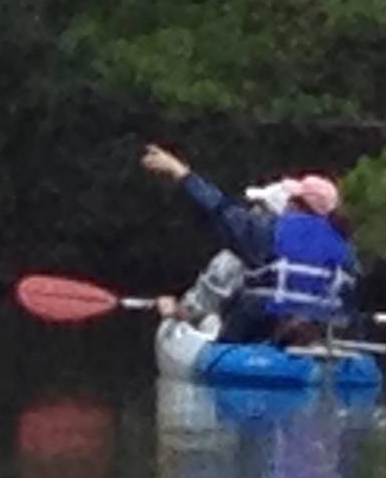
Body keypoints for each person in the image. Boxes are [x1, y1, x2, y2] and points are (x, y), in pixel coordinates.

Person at [138, 144, 359, 344]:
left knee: (242, 311)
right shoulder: (344, 244)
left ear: (295, 203)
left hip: (259, 325)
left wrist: (180, 172)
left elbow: (218, 207)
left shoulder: (267, 231)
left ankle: (279, 338)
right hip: (321, 328)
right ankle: (301, 338)